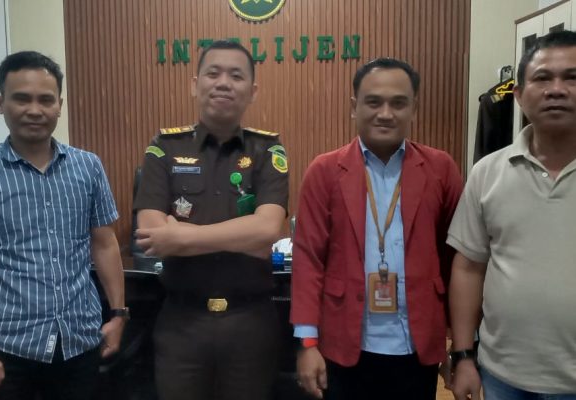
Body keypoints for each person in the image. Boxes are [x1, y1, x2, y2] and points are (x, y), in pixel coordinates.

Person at [0, 51, 127, 400]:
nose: (34, 109)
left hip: (80, 342)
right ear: (1, 103)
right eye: (21, 98)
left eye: (45, 100)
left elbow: (105, 244)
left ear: (59, 105)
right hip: (5, 348)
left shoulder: (88, 166)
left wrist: (119, 314)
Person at [290, 57, 463, 400]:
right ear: (354, 107)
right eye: (373, 102)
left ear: (414, 108)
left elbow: (456, 260)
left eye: (398, 103)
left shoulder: (440, 168)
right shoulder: (324, 171)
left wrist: (459, 344)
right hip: (344, 343)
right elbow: (308, 259)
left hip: (417, 344)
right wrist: (307, 343)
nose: (386, 113)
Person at [134, 39, 289, 400]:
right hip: (181, 324)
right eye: (213, 73)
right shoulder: (164, 148)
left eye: (236, 76)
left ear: (252, 91)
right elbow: (152, 234)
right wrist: (243, 237)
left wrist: (180, 237)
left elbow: (267, 230)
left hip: (250, 324)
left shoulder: (268, 150)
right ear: (195, 84)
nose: (223, 83)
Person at [448, 30, 576, 400]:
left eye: (571, 77)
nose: (556, 89)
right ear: (518, 95)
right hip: (502, 377)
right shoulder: (487, 173)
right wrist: (463, 355)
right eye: (542, 78)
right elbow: (468, 268)